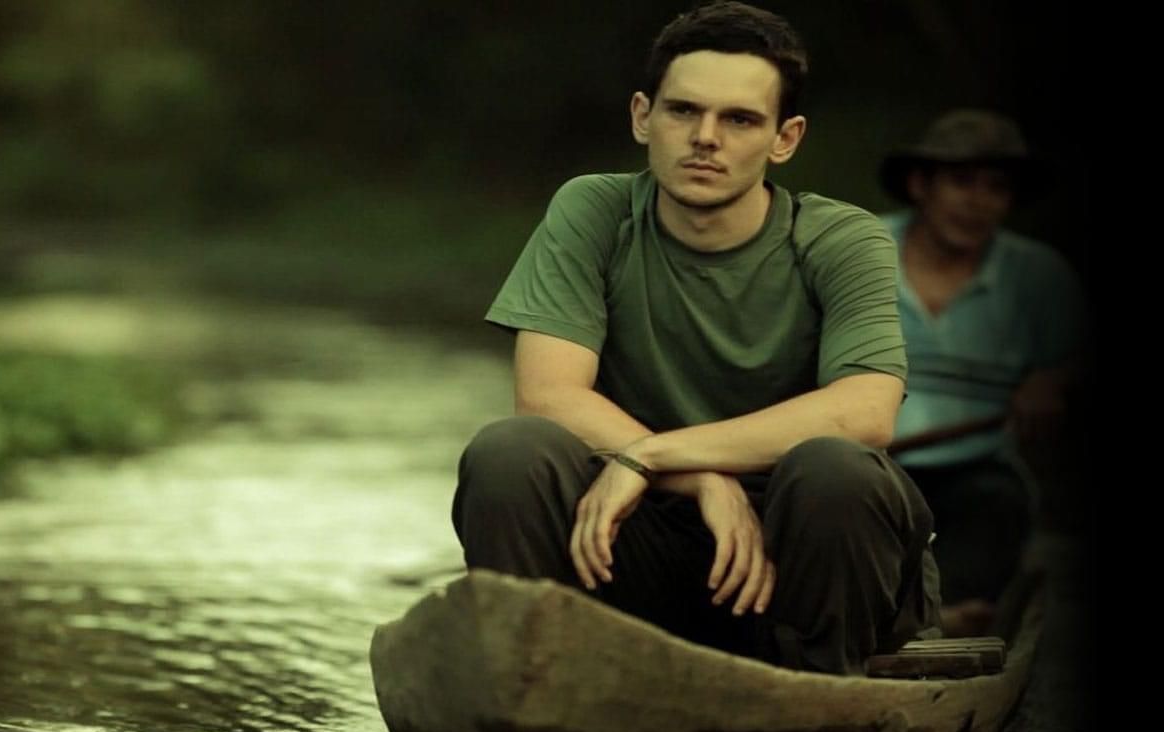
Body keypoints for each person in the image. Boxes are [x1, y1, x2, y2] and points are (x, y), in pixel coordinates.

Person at [451, 0, 940, 676]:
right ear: (642, 117)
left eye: (739, 119)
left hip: (804, 558)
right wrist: (706, 480)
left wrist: (652, 454)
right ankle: (531, 681)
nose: (705, 138)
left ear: (785, 139)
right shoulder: (595, 211)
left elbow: (865, 412)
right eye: (683, 111)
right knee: (511, 453)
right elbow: (547, 397)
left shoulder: (841, 238)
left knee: (837, 471)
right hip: (637, 537)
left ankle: (823, 693)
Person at [878, 109, 1086, 636]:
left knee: (997, 502)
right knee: (838, 500)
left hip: (978, 466)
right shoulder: (863, 251)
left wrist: (1052, 378)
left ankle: (940, 622)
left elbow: (1076, 357)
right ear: (920, 185)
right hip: (872, 458)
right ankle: (888, 621)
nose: (978, 201)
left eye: (996, 187)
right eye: (962, 181)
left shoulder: (1038, 276)